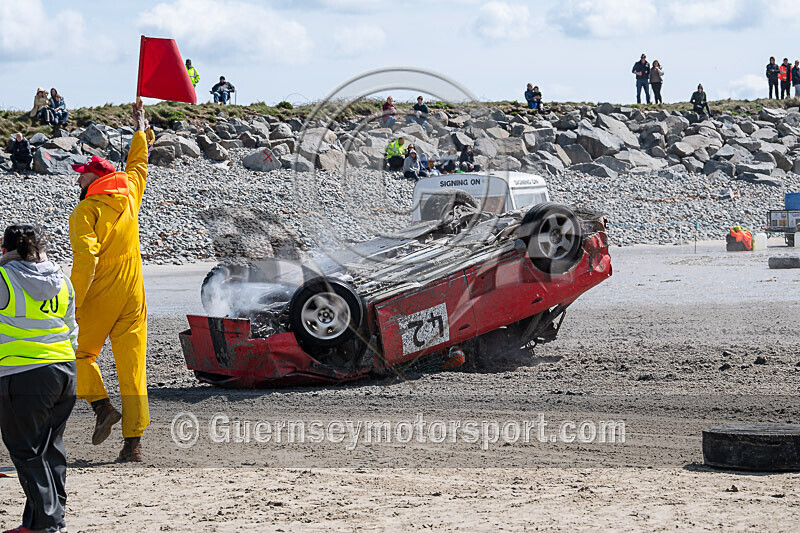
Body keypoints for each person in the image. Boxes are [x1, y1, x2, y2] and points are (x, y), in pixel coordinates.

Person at [69, 99, 150, 463]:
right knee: (133, 366)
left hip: (100, 290)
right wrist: (140, 128)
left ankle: (102, 407)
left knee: (78, 354)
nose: (79, 178)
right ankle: (133, 444)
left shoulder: (85, 211)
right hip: (133, 292)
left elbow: (86, 259)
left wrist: (71, 300)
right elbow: (139, 165)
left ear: (96, 177)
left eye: (83, 173)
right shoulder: (130, 193)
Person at [0, 224, 78, 533]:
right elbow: (72, 325)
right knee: (50, 448)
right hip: (64, 371)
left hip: (23, 373)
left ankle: (46, 524)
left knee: (26, 449)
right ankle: (44, 520)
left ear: (6, 249)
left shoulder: (5, 276)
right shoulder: (60, 277)